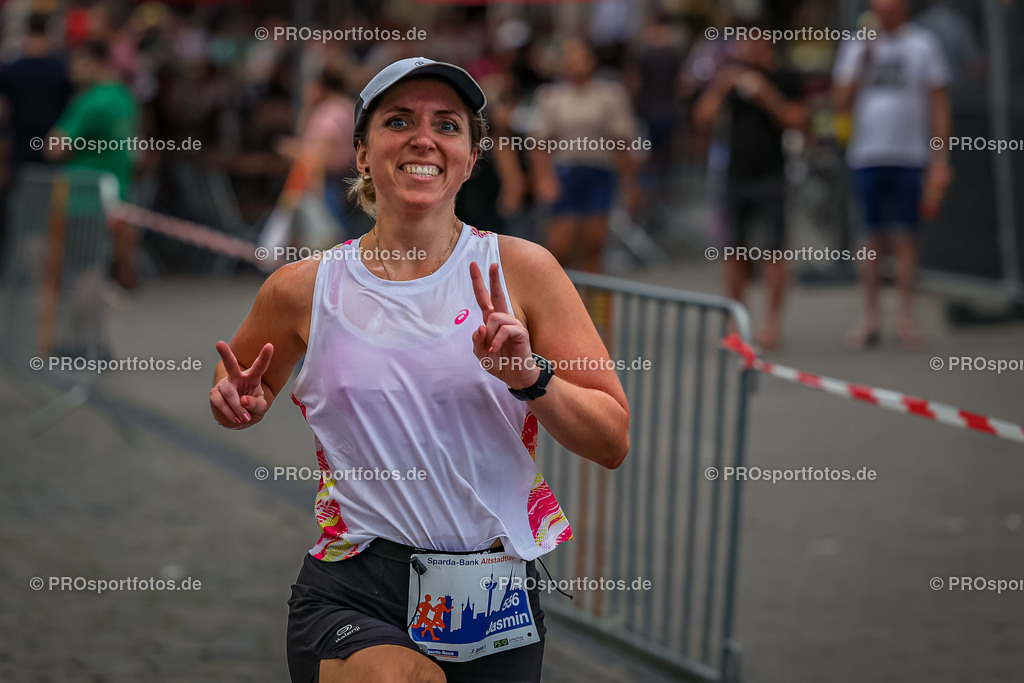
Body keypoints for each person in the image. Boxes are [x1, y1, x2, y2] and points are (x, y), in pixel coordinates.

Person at [209, 57, 629, 683]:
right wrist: (234, 403)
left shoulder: (523, 271)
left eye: (448, 125)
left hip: (491, 596)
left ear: (470, 155)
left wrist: (529, 377)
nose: (423, 138)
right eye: (398, 120)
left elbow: (612, 440)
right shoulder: (303, 289)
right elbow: (240, 391)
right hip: (357, 584)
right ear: (360, 152)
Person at [833, 0, 952, 350]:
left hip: (910, 155)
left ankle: (905, 319)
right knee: (870, 239)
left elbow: (938, 103)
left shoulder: (923, 44)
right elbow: (840, 101)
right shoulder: (857, 46)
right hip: (867, 154)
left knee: (904, 237)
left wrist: (940, 157)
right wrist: (864, 57)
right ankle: (870, 317)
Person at [693, 28, 806, 350]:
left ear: (766, 43)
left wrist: (766, 95)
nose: (745, 48)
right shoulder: (732, 78)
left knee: (773, 251)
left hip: (772, 176)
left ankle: (772, 324)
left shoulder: (785, 77)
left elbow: (796, 120)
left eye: (751, 42)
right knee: (734, 251)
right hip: (735, 176)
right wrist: (721, 85)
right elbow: (702, 117)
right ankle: (735, 323)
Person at [530, 36, 639, 273]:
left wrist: (630, 182)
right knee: (560, 246)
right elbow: (540, 144)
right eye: (570, 59)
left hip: (600, 172)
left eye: (581, 58)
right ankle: (557, 304)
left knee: (594, 244)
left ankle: (593, 309)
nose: (576, 64)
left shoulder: (610, 95)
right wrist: (544, 180)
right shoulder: (550, 97)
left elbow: (622, 142)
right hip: (565, 172)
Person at [45, 39, 140, 290]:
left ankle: (77, 326)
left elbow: (53, 148)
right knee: (94, 269)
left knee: (80, 271)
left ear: (95, 63)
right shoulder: (123, 95)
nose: (70, 70)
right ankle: (86, 324)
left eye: (76, 62)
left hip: (81, 200)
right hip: (113, 195)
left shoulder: (91, 102)